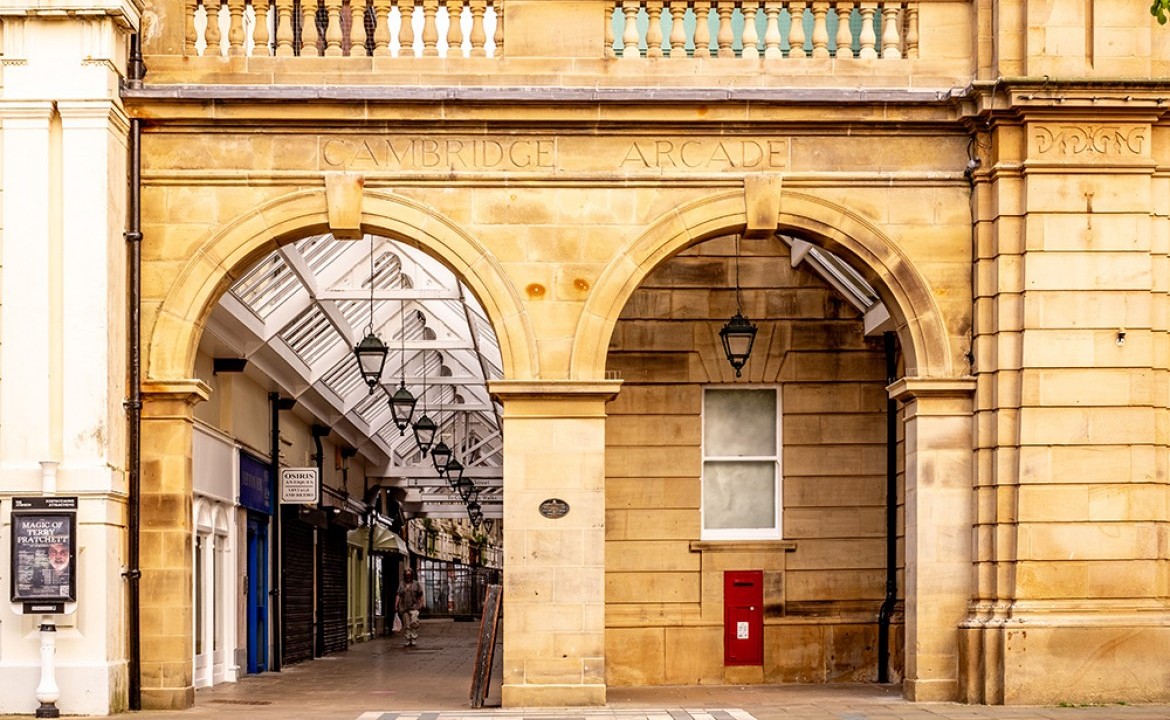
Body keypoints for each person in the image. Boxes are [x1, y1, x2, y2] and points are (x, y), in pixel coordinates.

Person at [395, 568, 424, 647]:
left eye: (409, 575)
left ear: (412, 575)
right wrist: (396, 605)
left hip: (414, 607)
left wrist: (421, 603)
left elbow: (420, 594)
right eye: (406, 575)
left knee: (414, 623)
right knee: (407, 625)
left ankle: (414, 638)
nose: (408, 576)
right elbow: (398, 595)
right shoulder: (401, 584)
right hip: (404, 608)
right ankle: (408, 639)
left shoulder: (416, 584)